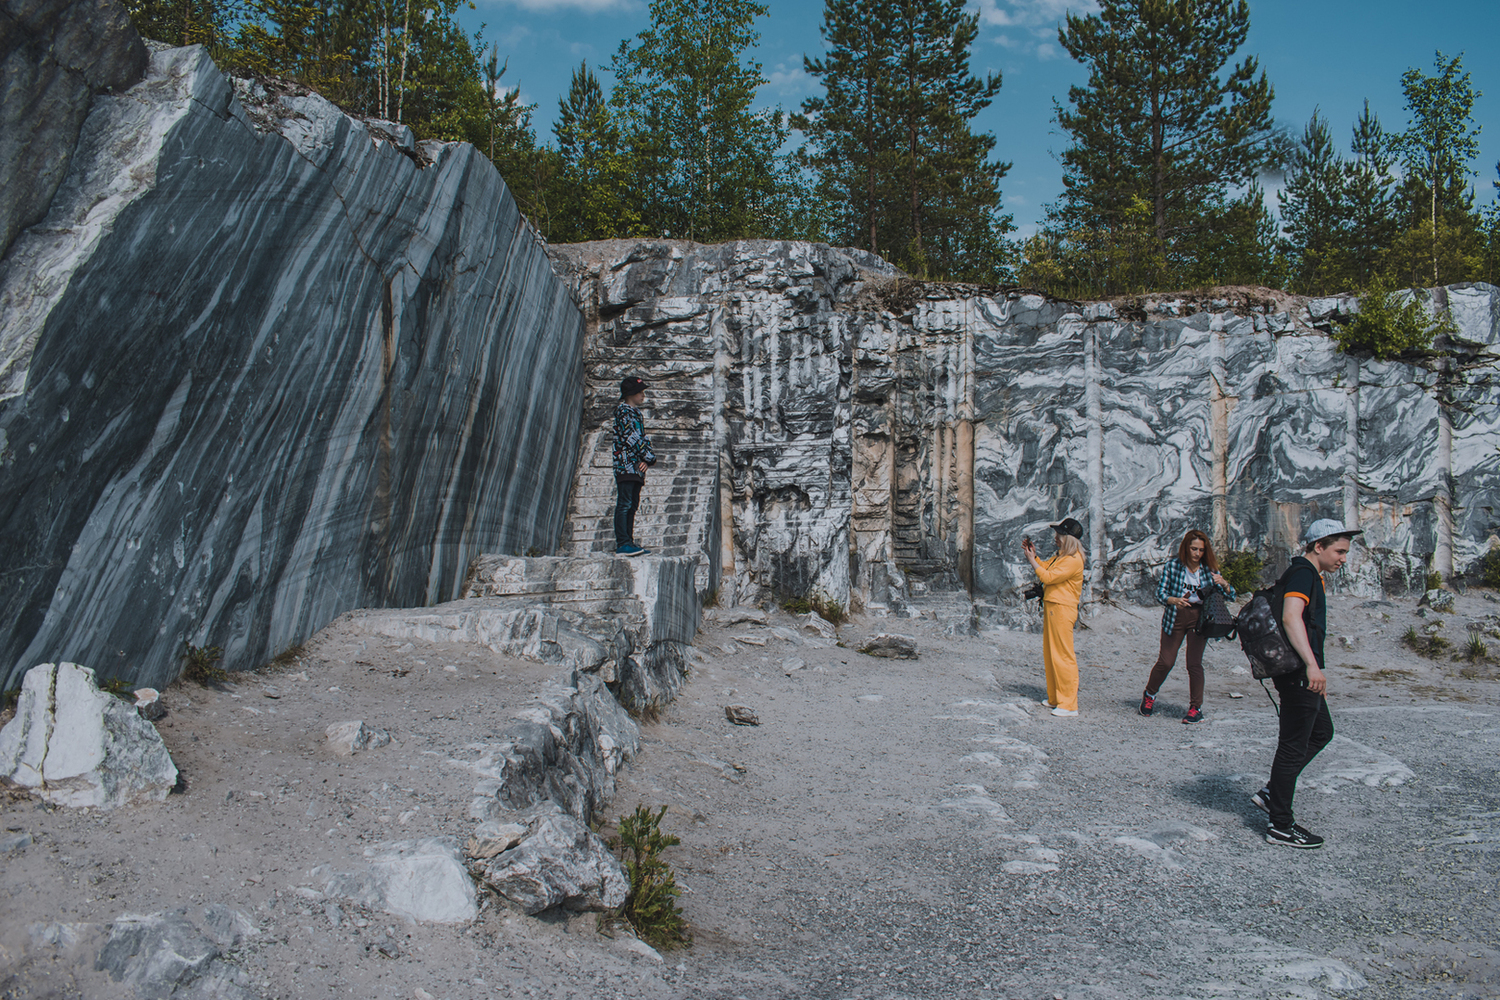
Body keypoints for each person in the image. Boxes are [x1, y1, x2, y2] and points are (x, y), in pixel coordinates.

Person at [1250, 518, 1361, 849]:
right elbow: (1290, 616)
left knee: (1321, 732)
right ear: (1318, 546)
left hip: (1299, 671)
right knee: (1292, 745)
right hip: (1298, 671)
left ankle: (1273, 793)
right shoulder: (1303, 573)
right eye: (1339, 551)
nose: (1343, 558)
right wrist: (1312, 666)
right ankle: (1281, 825)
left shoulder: (1307, 574)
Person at [1139, 529, 1237, 724]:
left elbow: (1230, 596)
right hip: (1176, 615)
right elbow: (1160, 593)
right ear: (1186, 548)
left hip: (1199, 618)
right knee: (1166, 661)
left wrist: (1225, 584)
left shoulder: (1209, 570)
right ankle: (1149, 694)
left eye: (1201, 550)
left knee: (1194, 663)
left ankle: (1195, 707)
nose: (1197, 553)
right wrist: (1173, 600)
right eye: (1193, 549)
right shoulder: (1174, 566)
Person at [1022, 518, 1086, 717]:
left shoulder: (1073, 560)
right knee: (1051, 654)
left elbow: (1048, 577)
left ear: (1068, 538)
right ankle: (1055, 698)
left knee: (1063, 655)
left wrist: (1032, 561)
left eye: (1059, 534)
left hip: (1063, 609)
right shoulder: (1062, 557)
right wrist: (1034, 556)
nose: (1056, 538)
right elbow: (1046, 568)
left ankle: (1069, 704)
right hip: (1053, 606)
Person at [612, 376, 655, 556]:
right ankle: (623, 543)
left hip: (636, 467)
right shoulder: (623, 412)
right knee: (625, 503)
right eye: (640, 392)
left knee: (632, 505)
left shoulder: (636, 413)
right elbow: (631, 437)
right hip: (625, 465)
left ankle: (629, 541)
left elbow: (643, 438)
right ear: (631, 394)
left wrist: (646, 459)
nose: (643, 395)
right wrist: (648, 456)